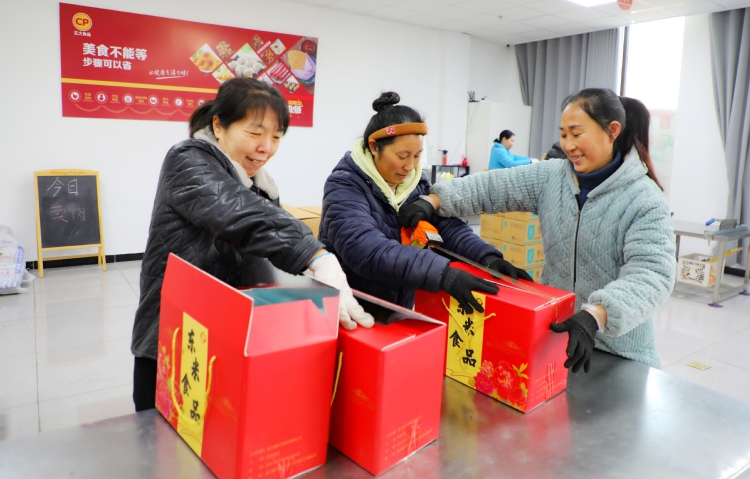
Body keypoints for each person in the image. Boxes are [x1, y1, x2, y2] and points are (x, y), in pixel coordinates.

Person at [131, 78, 373, 412]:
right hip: (177, 333)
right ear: (219, 126)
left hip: (227, 333)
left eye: (276, 137)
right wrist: (317, 256)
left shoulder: (260, 183)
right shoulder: (187, 160)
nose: (266, 148)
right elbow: (238, 213)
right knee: (167, 433)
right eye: (255, 133)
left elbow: (265, 243)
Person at [399, 88, 676, 372]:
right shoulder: (553, 176)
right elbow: (493, 187)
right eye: (563, 134)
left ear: (612, 131)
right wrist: (433, 200)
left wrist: (596, 315)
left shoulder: (644, 198)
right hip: (556, 337)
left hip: (620, 354)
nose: (568, 145)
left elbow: (652, 275)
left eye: (577, 133)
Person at [319, 92, 532, 317]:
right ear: (374, 147)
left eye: (417, 156)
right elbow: (366, 249)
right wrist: (442, 273)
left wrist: (485, 258)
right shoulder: (345, 185)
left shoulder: (414, 182)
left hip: (396, 307)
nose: (410, 166)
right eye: (402, 156)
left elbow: (445, 226)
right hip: (350, 306)